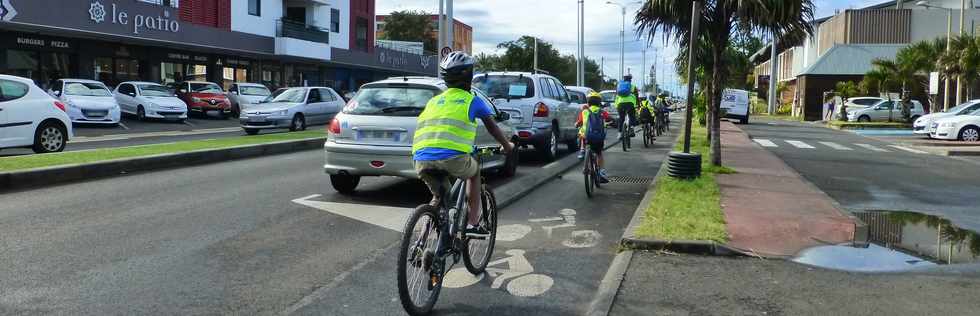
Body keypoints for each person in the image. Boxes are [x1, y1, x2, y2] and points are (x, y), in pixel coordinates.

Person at [413, 51, 515, 238]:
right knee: (474, 173)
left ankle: (420, 242)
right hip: (453, 158)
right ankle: (473, 223)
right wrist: (507, 146)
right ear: (468, 76)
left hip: (421, 158)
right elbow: (492, 128)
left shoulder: (434, 101)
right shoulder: (472, 100)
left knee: (439, 197)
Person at [576, 91, 610, 183]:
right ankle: (602, 172)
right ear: (599, 102)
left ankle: (583, 154)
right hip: (598, 137)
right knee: (599, 153)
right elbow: (609, 118)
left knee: (581, 134)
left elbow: (579, 122)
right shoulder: (602, 112)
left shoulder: (585, 111)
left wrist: (576, 124)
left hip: (587, 137)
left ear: (588, 102)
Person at [614, 75, 639, 142]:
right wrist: (638, 105)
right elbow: (637, 97)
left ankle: (619, 134)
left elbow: (616, 97)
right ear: (630, 80)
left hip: (620, 104)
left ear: (624, 80)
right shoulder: (633, 86)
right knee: (631, 116)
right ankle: (631, 128)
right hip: (630, 104)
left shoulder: (619, 86)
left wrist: (616, 105)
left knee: (621, 118)